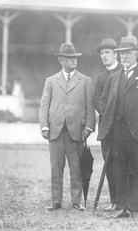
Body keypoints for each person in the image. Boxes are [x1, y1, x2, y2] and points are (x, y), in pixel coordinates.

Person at [39, 42, 95, 211]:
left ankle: (76, 202)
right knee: (56, 168)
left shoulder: (85, 81)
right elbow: (44, 105)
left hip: (76, 132)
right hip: (55, 132)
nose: (74, 61)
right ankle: (56, 201)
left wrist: (89, 127)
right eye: (70, 58)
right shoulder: (51, 81)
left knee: (76, 168)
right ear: (61, 60)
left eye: (75, 58)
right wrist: (44, 127)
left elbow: (90, 107)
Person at [98, 36, 138, 219]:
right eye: (122, 54)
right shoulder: (114, 78)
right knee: (119, 168)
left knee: (135, 169)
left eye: (128, 53)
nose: (125, 57)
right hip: (118, 131)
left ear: (136, 54)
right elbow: (104, 101)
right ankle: (123, 207)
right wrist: (111, 118)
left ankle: (135, 206)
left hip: (136, 131)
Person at [94, 38, 122, 211]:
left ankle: (127, 201)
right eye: (102, 53)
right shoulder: (101, 77)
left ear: (116, 54)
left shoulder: (124, 71)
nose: (104, 56)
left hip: (123, 127)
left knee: (124, 164)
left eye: (107, 53)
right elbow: (97, 101)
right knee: (109, 164)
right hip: (106, 128)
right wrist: (108, 113)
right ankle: (114, 201)